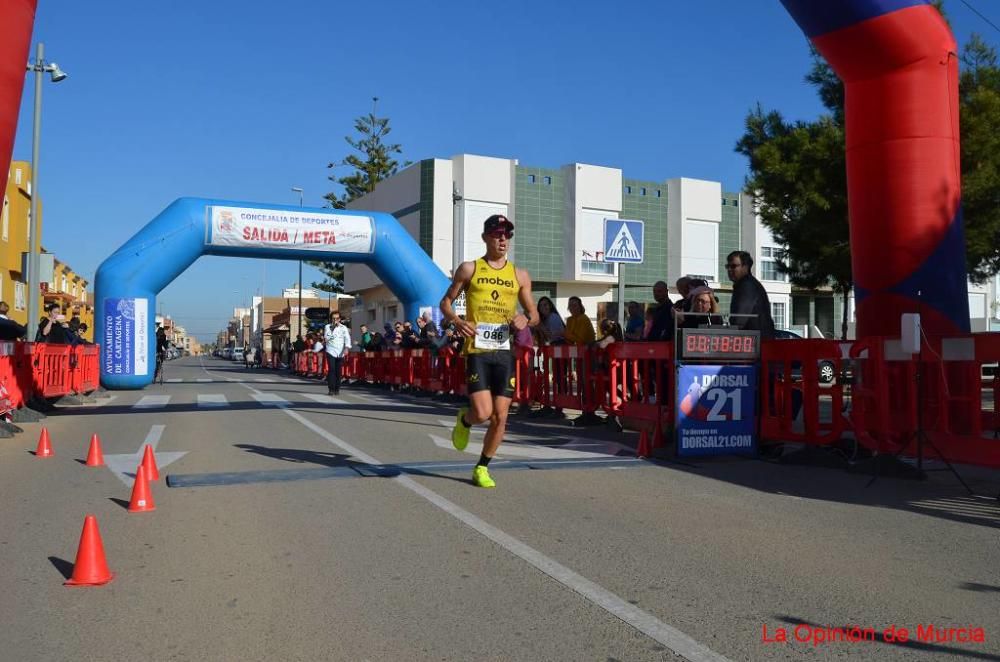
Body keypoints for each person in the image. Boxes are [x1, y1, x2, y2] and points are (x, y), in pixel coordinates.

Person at [440, 214, 539, 489]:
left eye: (507, 234)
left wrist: (525, 319)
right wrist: (458, 321)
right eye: (497, 234)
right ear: (485, 237)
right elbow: (446, 302)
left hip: (505, 352)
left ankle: (482, 467)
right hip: (478, 351)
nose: (503, 239)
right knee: (483, 413)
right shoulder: (470, 269)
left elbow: (534, 314)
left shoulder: (519, 275)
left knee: (501, 416)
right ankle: (465, 418)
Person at [727, 250, 775, 339]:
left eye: (733, 266)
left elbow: (740, 320)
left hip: (755, 343)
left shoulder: (747, 285)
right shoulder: (747, 284)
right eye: (727, 266)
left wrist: (728, 335)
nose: (729, 269)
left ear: (745, 267)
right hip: (757, 341)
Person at [323, 310, 352, 395]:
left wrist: (347, 348)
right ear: (331, 319)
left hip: (340, 351)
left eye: (337, 318)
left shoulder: (344, 328)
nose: (335, 320)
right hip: (330, 350)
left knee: (338, 371)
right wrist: (333, 328)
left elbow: (347, 338)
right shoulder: (327, 327)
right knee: (332, 370)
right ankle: (331, 389)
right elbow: (327, 338)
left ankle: (337, 388)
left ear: (339, 319)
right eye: (333, 318)